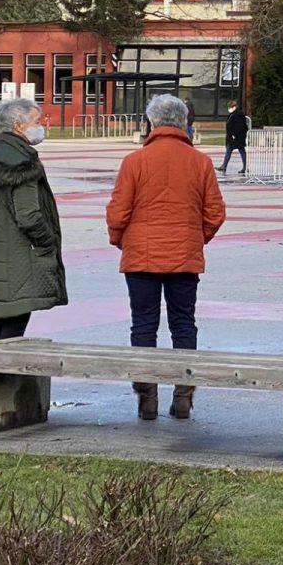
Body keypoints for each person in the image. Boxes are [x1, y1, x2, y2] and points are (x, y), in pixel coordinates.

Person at [106, 94, 226, 421]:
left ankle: (147, 398)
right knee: (183, 324)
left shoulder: (135, 161)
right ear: (183, 122)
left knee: (143, 324)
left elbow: (118, 212)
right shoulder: (200, 161)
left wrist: (122, 241)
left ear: (152, 122)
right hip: (184, 258)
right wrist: (194, 239)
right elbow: (215, 212)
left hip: (141, 257)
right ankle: (184, 395)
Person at [0, 97, 67, 344]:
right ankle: (2, 381)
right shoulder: (22, 162)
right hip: (18, 257)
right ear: (19, 126)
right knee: (13, 324)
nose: (42, 125)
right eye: (37, 121)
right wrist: (47, 242)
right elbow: (29, 215)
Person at [220, 100, 249, 175]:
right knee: (233, 150)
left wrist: (234, 134)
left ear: (234, 107)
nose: (229, 109)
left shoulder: (238, 114)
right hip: (234, 136)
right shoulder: (233, 114)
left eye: (230, 107)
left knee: (237, 150)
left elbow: (240, 126)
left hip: (237, 136)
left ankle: (243, 167)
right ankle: (224, 165)